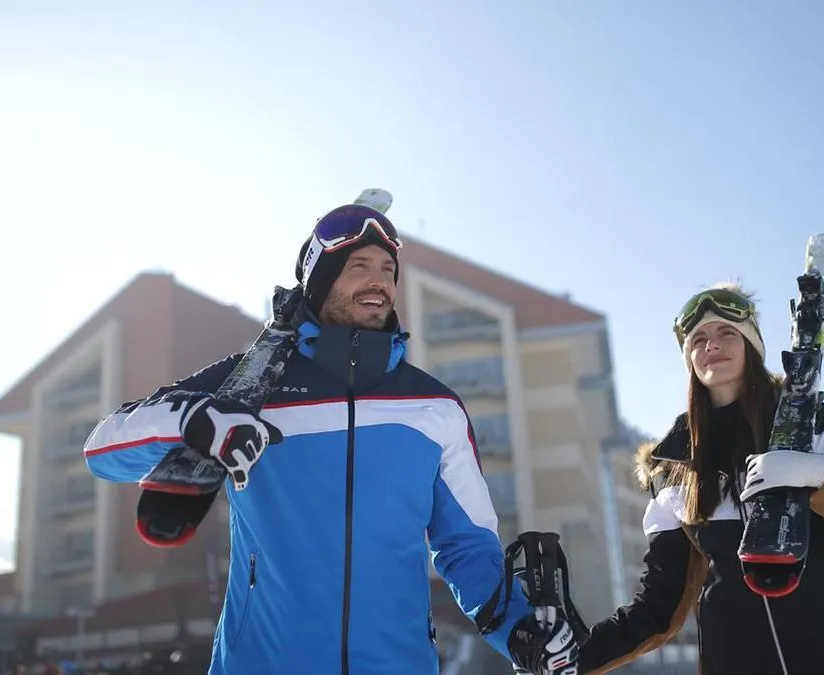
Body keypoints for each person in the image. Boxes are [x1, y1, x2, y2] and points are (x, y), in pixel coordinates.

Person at [82, 202, 579, 674]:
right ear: (319, 284)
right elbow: (105, 447)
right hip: (262, 663)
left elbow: (466, 545)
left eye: (387, 269)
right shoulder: (248, 389)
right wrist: (198, 422)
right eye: (359, 266)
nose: (378, 280)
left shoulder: (434, 408)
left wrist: (518, 631)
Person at [577, 283, 824, 675]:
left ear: (752, 345)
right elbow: (658, 609)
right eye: (698, 339)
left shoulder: (814, 426)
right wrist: (572, 660)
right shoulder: (673, 468)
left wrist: (822, 476)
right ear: (689, 359)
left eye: (727, 332)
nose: (712, 344)